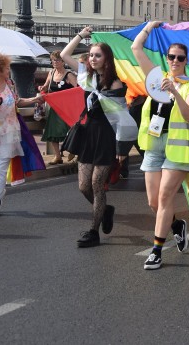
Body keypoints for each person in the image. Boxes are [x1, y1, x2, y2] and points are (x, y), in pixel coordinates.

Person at [131, 21, 189, 270]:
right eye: (171, 56)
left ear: (186, 61)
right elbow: (136, 48)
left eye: (179, 58)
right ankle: (176, 226)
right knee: (153, 202)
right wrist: (149, 26)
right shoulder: (157, 78)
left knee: (164, 197)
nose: (174, 60)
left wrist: (176, 91)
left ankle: (156, 251)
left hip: (178, 148)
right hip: (155, 144)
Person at [60, 27, 137, 247]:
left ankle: (93, 232)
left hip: (106, 137)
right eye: (91, 55)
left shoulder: (115, 84)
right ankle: (105, 209)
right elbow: (65, 55)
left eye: (97, 55)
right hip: (88, 135)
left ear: (107, 59)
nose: (93, 59)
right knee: (83, 186)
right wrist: (80, 36)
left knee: (96, 184)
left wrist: (121, 149)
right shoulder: (86, 77)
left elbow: (121, 118)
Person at [0, 54, 42, 212]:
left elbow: (17, 101)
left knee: (2, 167)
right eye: (6, 69)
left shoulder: (10, 84)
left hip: (9, 132)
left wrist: (34, 100)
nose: (9, 71)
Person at [39, 50, 77, 165]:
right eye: (53, 60)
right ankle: (58, 156)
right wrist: (42, 88)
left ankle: (73, 150)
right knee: (52, 132)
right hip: (54, 108)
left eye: (58, 60)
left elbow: (78, 89)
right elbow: (46, 87)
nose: (55, 62)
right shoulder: (51, 73)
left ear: (63, 61)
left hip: (67, 108)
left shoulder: (69, 75)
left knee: (71, 131)